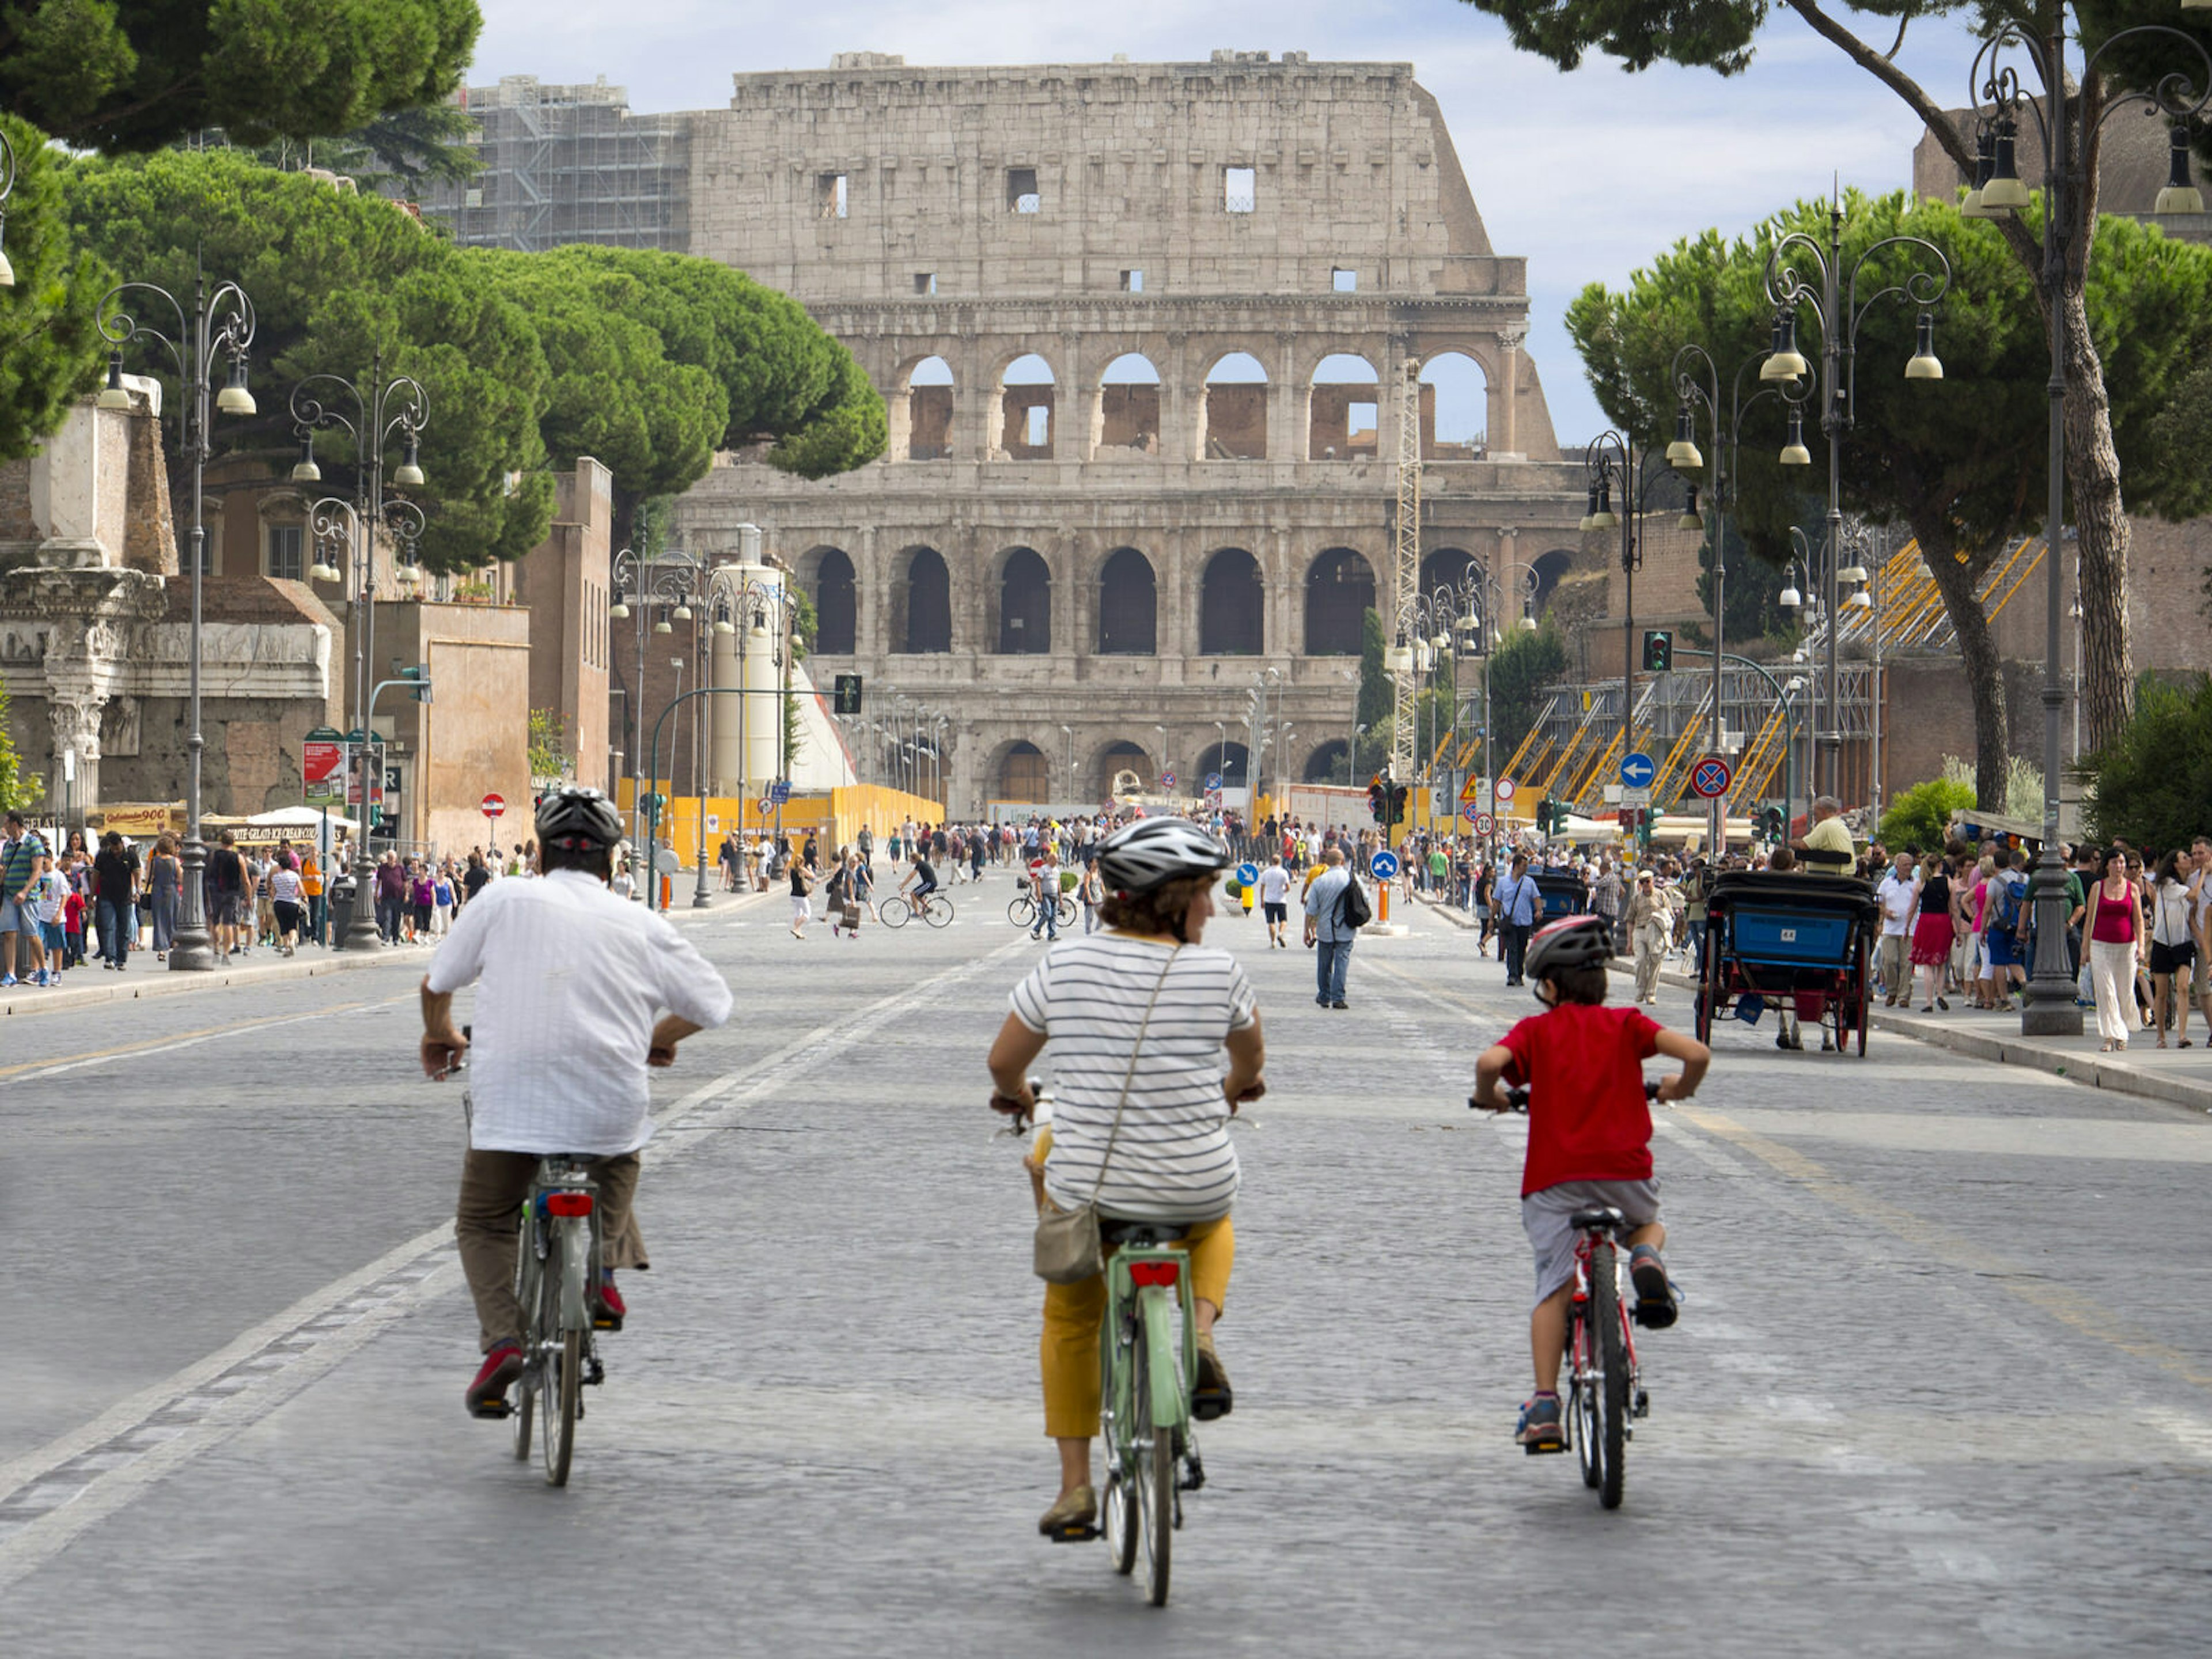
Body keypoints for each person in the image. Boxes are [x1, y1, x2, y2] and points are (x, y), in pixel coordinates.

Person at [983, 817, 1263, 1537]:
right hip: (1195, 1185)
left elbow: (1003, 1063)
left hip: (1091, 1190)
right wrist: (1236, 1089)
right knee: (1214, 1217)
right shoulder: (1221, 972)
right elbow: (1251, 1064)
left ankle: (1076, 1488)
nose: (1214, 906)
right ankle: (1199, 1336)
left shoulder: (1064, 964)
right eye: (1205, 894)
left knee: (1071, 1316)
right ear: (1170, 900)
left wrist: (1016, 1093)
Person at [419, 785, 733, 1418]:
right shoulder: (641, 923)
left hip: (510, 1104)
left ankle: (503, 1340)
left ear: (538, 856)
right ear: (613, 864)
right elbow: (713, 1004)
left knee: (484, 1220)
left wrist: (440, 1035)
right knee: (617, 1159)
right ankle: (603, 1279)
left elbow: (438, 981)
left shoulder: (504, 897)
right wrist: (654, 1040)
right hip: (608, 1103)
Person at [1471, 914, 1710, 1450]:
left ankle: (1546, 1404)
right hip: (1626, 1175)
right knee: (1648, 1226)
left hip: (1555, 1182)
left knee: (1554, 1287)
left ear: (1550, 986)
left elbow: (1490, 1062)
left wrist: (1493, 1096)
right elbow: (1697, 1054)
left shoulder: (1537, 1030)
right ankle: (1647, 1260)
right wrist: (1678, 1089)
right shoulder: (1627, 1025)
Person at [2070, 847, 2146, 1053]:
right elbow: (2090, 920)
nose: (2119, 867)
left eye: (2121, 863)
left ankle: (2122, 1032)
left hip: (2127, 947)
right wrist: (2085, 949)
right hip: (2100, 946)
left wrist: (2141, 946)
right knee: (2106, 993)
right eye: (2114, 862)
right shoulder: (2097, 887)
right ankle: (2110, 1036)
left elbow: (2138, 919)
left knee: (2124, 992)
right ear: (2107, 865)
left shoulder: (2132, 889)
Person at [2147, 850, 2198, 1048]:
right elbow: (2193, 896)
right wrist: (2202, 875)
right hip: (2163, 942)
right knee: (2161, 992)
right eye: (2184, 858)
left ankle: (2182, 1035)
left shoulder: (2186, 884)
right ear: (2175, 865)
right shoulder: (2166, 884)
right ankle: (2161, 1036)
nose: (2189, 860)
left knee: (2183, 987)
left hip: (2183, 941)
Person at [1301, 845, 1360, 1009]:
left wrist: (1306, 930)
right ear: (1342, 861)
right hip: (1346, 928)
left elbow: (1311, 909)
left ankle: (1324, 995)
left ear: (1327, 862)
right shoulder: (1352, 879)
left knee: (1324, 964)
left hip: (1325, 928)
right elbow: (1365, 900)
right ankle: (1338, 997)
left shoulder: (1320, 882)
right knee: (1342, 962)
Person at [1908, 853, 1957, 1012]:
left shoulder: (1921, 883)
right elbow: (1954, 909)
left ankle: (1929, 1002)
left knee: (1928, 964)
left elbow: (1912, 907)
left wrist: (1906, 927)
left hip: (1926, 921)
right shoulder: (1949, 882)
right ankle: (1940, 993)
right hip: (1943, 921)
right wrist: (1957, 928)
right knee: (1942, 962)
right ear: (1940, 866)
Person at [1875, 851, 1919, 1006]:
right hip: (1890, 929)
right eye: (1905, 865)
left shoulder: (1915, 884)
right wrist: (1885, 913)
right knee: (1890, 961)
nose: (1908, 868)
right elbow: (1879, 902)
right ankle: (1892, 990)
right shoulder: (1887, 883)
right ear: (1897, 866)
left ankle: (1903, 995)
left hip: (1909, 929)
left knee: (1907, 963)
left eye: (1910, 865)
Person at [92, 831, 140, 972]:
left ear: (121, 844)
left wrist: (138, 891)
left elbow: (137, 872)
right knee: (108, 927)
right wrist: (92, 896)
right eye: (113, 849)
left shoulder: (130, 855)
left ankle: (121, 959)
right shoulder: (102, 856)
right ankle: (110, 958)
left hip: (125, 897)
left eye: (117, 848)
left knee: (123, 929)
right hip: (106, 896)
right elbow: (96, 876)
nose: (115, 851)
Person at [1493, 853, 1541, 987]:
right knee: (1512, 948)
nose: (1526, 868)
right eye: (1524, 866)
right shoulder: (1503, 882)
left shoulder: (1529, 883)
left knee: (1521, 949)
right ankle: (1512, 975)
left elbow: (1536, 898)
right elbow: (1497, 901)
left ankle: (1519, 974)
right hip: (1509, 922)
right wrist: (1492, 918)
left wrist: (1538, 910)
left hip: (1525, 921)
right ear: (1516, 866)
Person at [1628, 869, 1671, 1004]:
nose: (1645, 884)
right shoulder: (1636, 898)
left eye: (1648, 881)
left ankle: (1650, 993)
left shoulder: (1661, 896)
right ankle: (1641, 989)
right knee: (1640, 961)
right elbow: (1630, 920)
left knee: (1655, 962)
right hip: (1640, 930)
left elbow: (1669, 915)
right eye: (1642, 882)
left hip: (1656, 932)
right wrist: (1629, 941)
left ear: (1653, 881)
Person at [1794, 794, 1855, 878]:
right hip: (1844, 874)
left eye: (1816, 814)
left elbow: (1804, 845)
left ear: (1823, 811)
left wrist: (1790, 843)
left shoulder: (1826, 825)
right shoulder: (1840, 825)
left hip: (1828, 876)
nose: (1815, 818)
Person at [146, 834, 181, 961]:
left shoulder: (154, 861)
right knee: (173, 918)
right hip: (172, 890)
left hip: (158, 891)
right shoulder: (175, 861)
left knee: (159, 920)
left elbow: (149, 878)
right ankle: (175, 945)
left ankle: (161, 950)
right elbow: (180, 878)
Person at [270, 853, 306, 955]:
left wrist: (274, 898)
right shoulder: (295, 876)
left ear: (280, 865)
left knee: (283, 926)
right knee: (293, 925)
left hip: (279, 903)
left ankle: (286, 948)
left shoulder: (276, 877)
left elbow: (272, 891)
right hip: (292, 903)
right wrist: (297, 896)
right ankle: (292, 942)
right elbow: (301, 890)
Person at [1255, 852, 1292, 949]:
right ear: (1280, 862)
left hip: (1269, 900)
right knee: (1283, 920)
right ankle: (1280, 933)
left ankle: (1273, 942)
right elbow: (1288, 887)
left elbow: (1262, 887)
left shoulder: (1266, 873)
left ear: (1271, 862)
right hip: (1281, 900)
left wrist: (1262, 900)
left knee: (1271, 922)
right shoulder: (1284, 872)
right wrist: (1283, 891)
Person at [899, 847, 939, 919]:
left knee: (913, 894)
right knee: (918, 895)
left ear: (914, 859)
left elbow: (911, 876)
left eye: (910, 859)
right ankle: (928, 908)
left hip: (930, 883)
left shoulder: (920, 864)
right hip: (928, 883)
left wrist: (903, 885)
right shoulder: (921, 863)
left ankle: (917, 912)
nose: (910, 861)